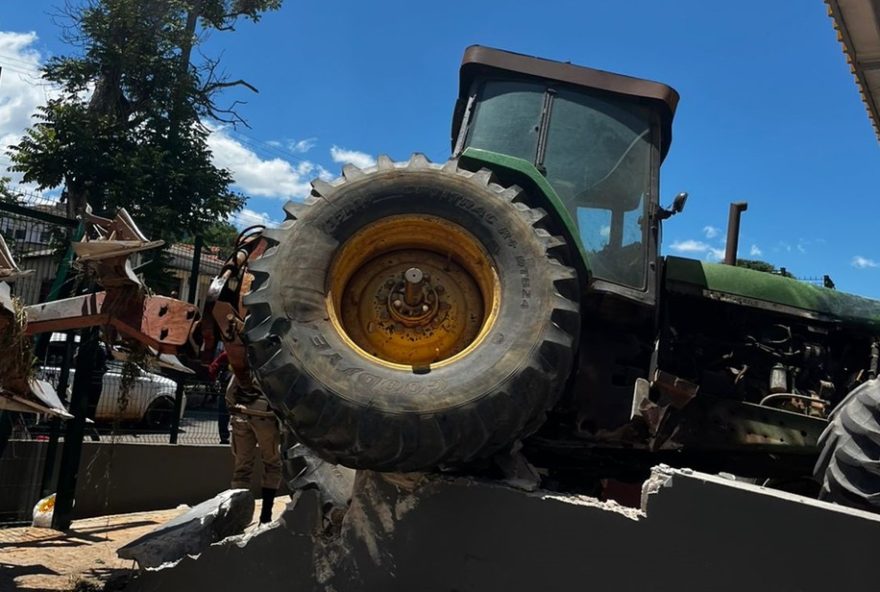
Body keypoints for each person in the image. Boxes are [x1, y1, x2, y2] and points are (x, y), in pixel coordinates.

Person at [226, 375, 282, 523]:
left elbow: (229, 392)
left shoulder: (244, 361)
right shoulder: (275, 362)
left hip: (241, 414)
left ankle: (236, 517)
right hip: (266, 416)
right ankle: (265, 516)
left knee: (242, 468)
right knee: (272, 465)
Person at [207, 351, 231, 444]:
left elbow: (213, 367)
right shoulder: (247, 353)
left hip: (225, 386)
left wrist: (214, 380)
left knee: (224, 413)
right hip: (243, 387)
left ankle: (224, 437)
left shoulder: (227, 354)